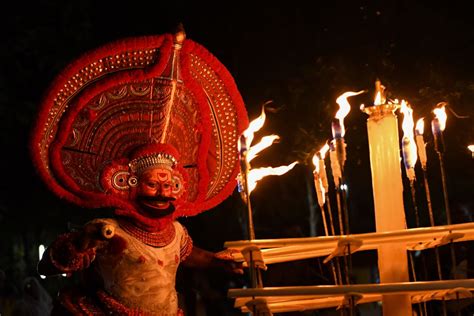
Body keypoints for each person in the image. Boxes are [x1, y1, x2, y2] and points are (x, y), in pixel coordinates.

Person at [31, 26, 248, 315]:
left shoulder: (176, 232)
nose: (163, 193)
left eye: (170, 186)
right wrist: (83, 241)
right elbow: (46, 267)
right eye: (153, 185)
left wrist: (216, 261)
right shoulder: (110, 231)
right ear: (127, 183)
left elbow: (186, 256)